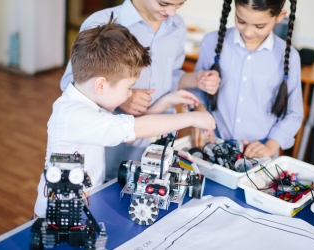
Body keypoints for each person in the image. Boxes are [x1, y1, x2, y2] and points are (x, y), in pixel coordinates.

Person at [34, 17, 216, 216]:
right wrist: (191, 119)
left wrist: (165, 102)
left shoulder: (90, 104)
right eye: (128, 88)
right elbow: (135, 129)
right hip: (57, 215)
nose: (130, 94)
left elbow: (129, 134)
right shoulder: (73, 116)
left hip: (85, 204)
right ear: (101, 85)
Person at [60, 0, 221, 182]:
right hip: (114, 150)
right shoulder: (102, 24)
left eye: (179, 5)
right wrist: (123, 98)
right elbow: (72, 84)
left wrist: (195, 79)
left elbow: (171, 76)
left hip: (159, 140)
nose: (172, 12)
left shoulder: (177, 26)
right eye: (163, 3)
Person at [190, 0, 303, 159]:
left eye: (259, 26)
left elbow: (294, 113)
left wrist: (270, 146)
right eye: (241, 21)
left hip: (259, 156)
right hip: (212, 146)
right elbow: (197, 89)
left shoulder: (290, 57)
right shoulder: (211, 41)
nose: (248, 32)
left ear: (279, 16)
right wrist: (199, 111)